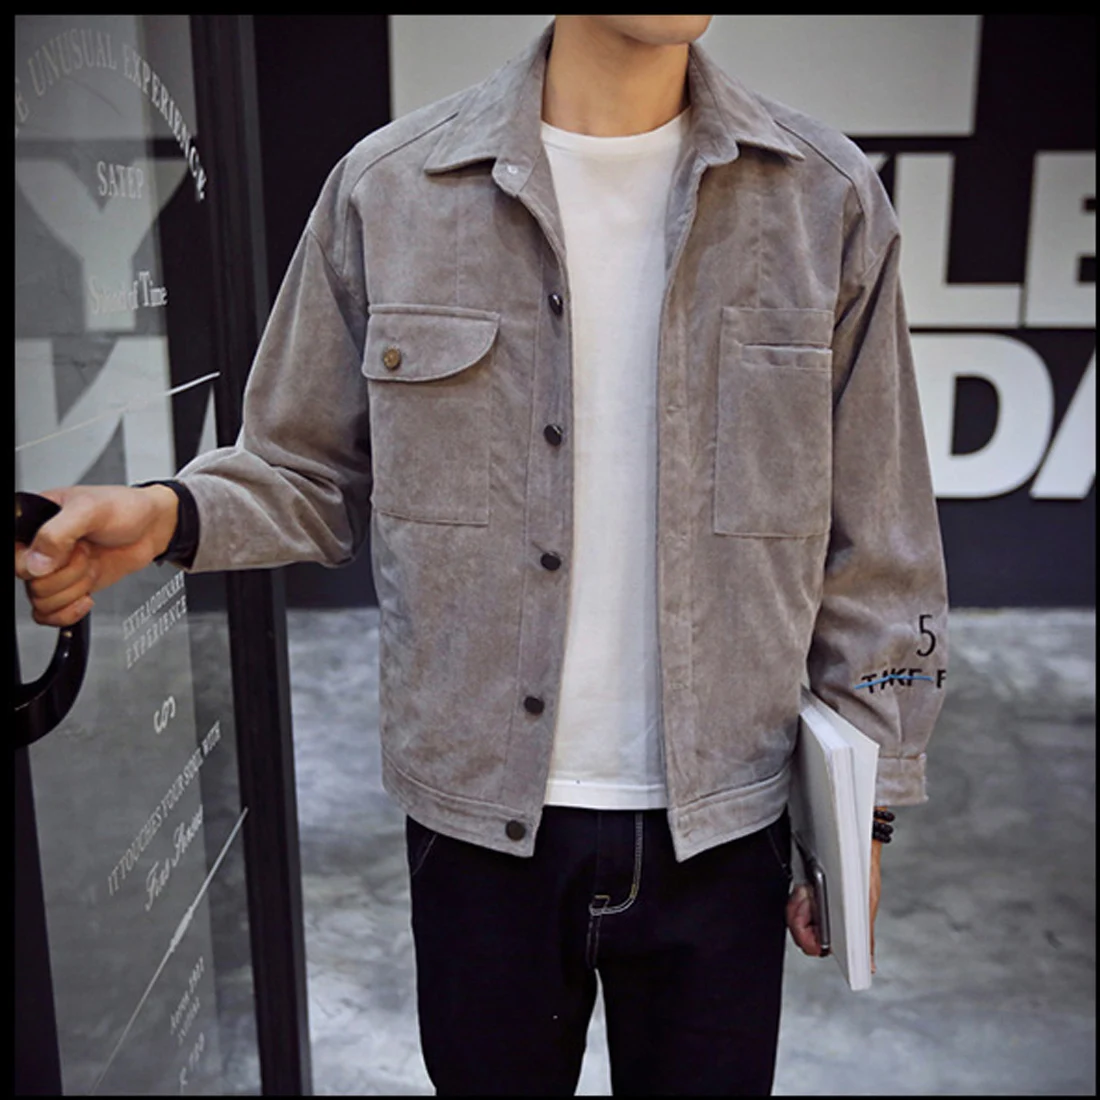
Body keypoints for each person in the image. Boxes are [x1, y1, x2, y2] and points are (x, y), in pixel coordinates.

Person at [15, 15, 949, 1096]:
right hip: (477, 832)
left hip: (725, 825)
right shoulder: (391, 189)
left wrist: (864, 808)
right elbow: (303, 469)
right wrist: (165, 514)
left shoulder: (823, 199)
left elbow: (880, 536)